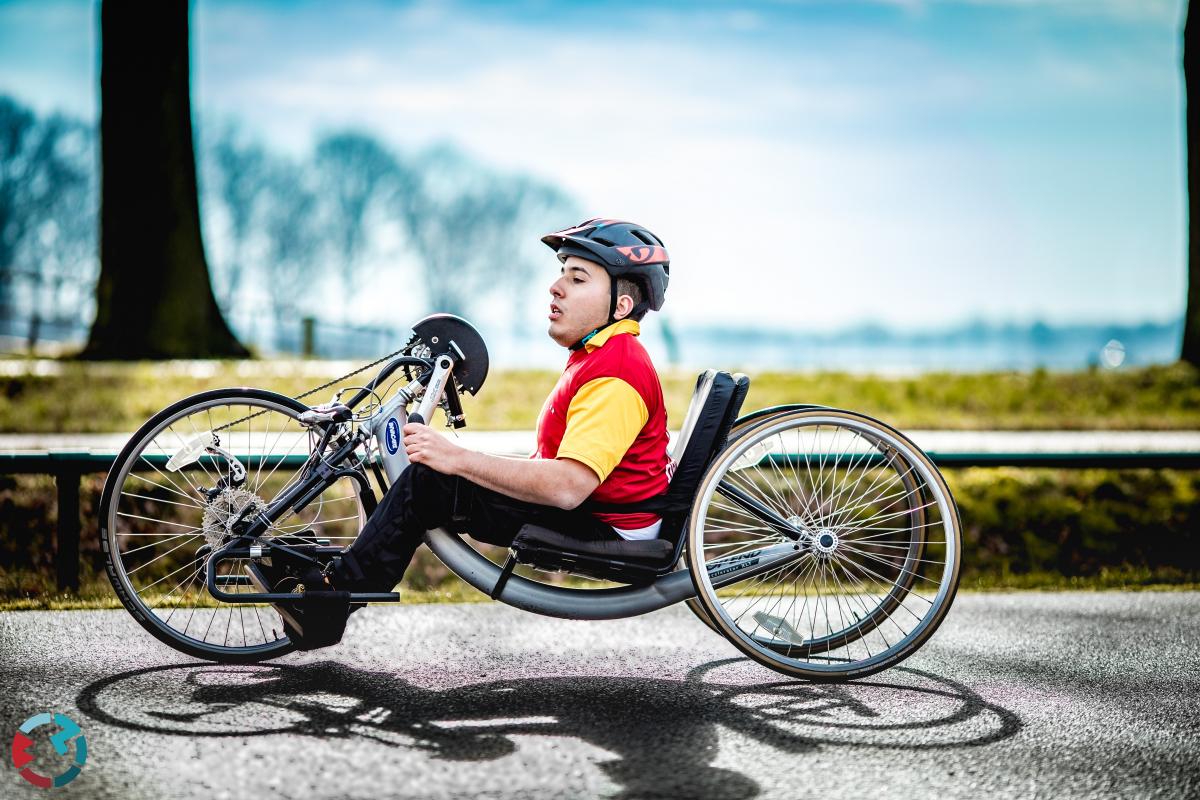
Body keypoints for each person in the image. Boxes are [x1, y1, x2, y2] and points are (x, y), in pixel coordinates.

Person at [248, 218, 673, 648]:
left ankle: (326, 598)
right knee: (436, 479)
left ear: (620, 306)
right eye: (562, 272)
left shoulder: (616, 371)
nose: (556, 287)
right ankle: (327, 579)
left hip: (608, 529)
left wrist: (458, 460)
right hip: (598, 514)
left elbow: (567, 487)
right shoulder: (598, 356)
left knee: (429, 482)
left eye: (577, 278)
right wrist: (462, 464)